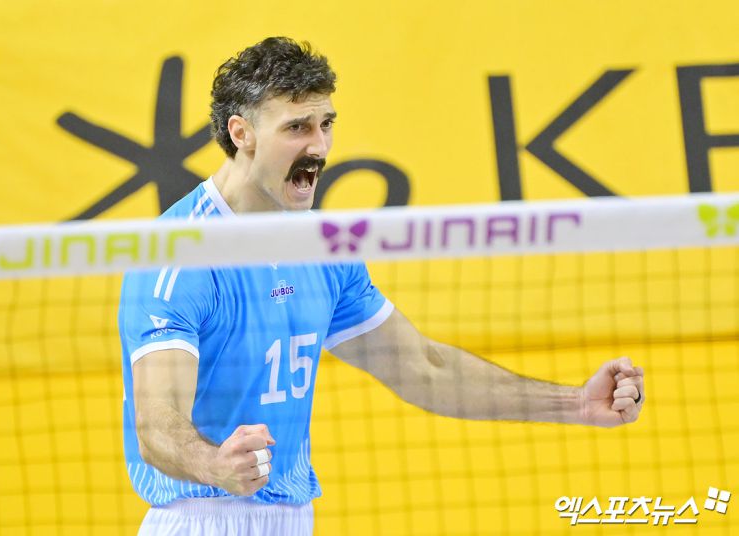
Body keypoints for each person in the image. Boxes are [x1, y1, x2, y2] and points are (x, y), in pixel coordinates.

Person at [118, 37, 645, 535]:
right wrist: (214, 464)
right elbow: (157, 424)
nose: (319, 146)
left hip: (293, 519)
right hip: (203, 517)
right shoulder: (179, 254)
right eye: (297, 127)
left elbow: (426, 370)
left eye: (326, 124)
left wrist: (576, 403)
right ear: (242, 134)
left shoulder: (321, 248)